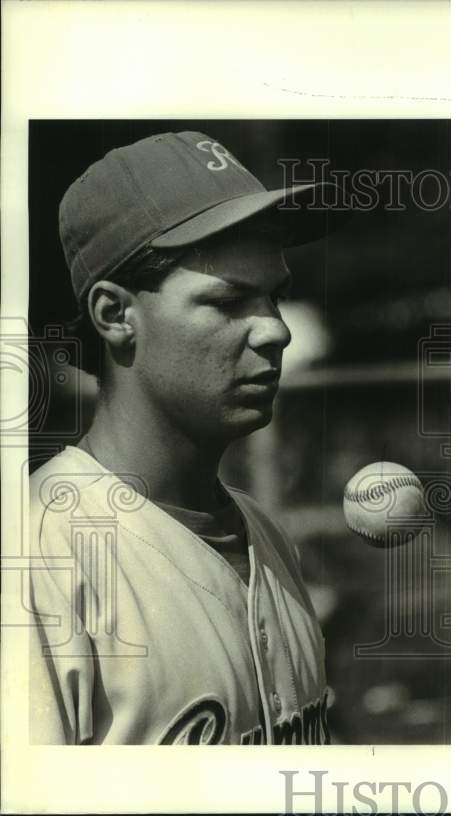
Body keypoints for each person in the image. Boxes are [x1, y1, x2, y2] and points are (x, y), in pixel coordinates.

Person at [28, 131, 341, 744]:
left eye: (274, 297)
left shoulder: (265, 535)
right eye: (228, 302)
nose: (275, 331)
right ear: (116, 316)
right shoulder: (37, 558)